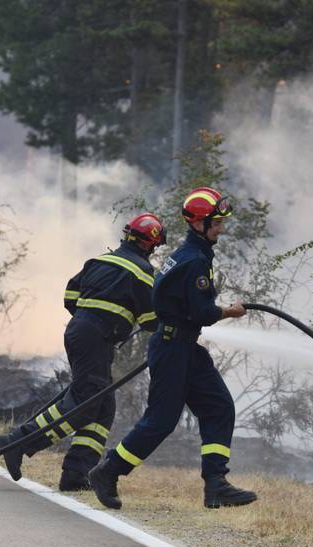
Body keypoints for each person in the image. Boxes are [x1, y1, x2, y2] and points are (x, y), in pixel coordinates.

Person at [89, 187, 257, 510]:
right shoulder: (193, 262)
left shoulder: (191, 255)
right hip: (172, 349)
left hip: (183, 347)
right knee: (161, 421)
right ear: (199, 224)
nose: (221, 228)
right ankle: (108, 470)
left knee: (219, 406)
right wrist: (229, 311)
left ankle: (216, 485)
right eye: (216, 222)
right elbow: (201, 313)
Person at [0, 213, 166, 491]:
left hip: (79, 331)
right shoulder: (142, 272)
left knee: (103, 406)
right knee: (86, 403)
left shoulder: (99, 260)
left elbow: (70, 297)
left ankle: (77, 472)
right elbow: (150, 321)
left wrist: (91, 317)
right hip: (96, 338)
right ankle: (19, 441)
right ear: (151, 245)